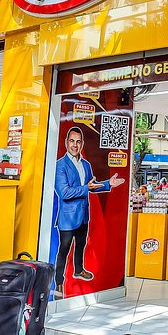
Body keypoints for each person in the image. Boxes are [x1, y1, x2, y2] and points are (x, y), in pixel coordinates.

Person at [53, 126, 125, 298]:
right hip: (68, 218)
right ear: (66, 142)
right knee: (64, 250)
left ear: (82, 144)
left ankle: (79, 270)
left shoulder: (85, 165)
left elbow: (90, 187)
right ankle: (59, 284)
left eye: (78, 142)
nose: (75, 145)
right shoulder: (60, 166)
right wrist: (86, 187)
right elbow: (64, 192)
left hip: (84, 215)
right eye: (72, 141)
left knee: (81, 245)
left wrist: (108, 184)